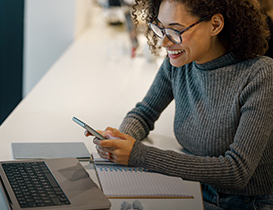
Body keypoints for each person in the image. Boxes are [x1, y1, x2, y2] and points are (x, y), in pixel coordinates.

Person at [88, 0, 273, 209]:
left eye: (175, 31)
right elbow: (144, 113)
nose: (165, 43)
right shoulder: (179, 64)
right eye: (161, 29)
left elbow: (236, 171)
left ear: (215, 25)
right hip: (194, 189)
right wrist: (121, 140)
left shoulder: (261, 75)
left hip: (247, 203)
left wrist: (137, 154)